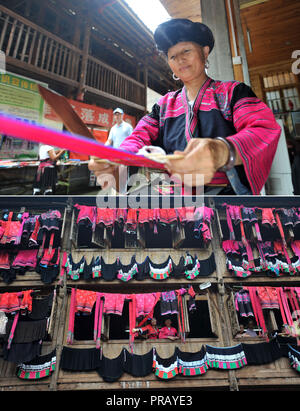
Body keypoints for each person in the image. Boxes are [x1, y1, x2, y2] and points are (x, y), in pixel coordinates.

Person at [89, 18, 281, 195]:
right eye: (172, 57)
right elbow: (139, 137)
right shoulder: (163, 106)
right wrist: (118, 157)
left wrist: (220, 151)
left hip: (227, 196)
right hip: (175, 198)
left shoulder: (232, 92)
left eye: (186, 51)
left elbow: (263, 129)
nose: (180, 59)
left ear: (204, 52)